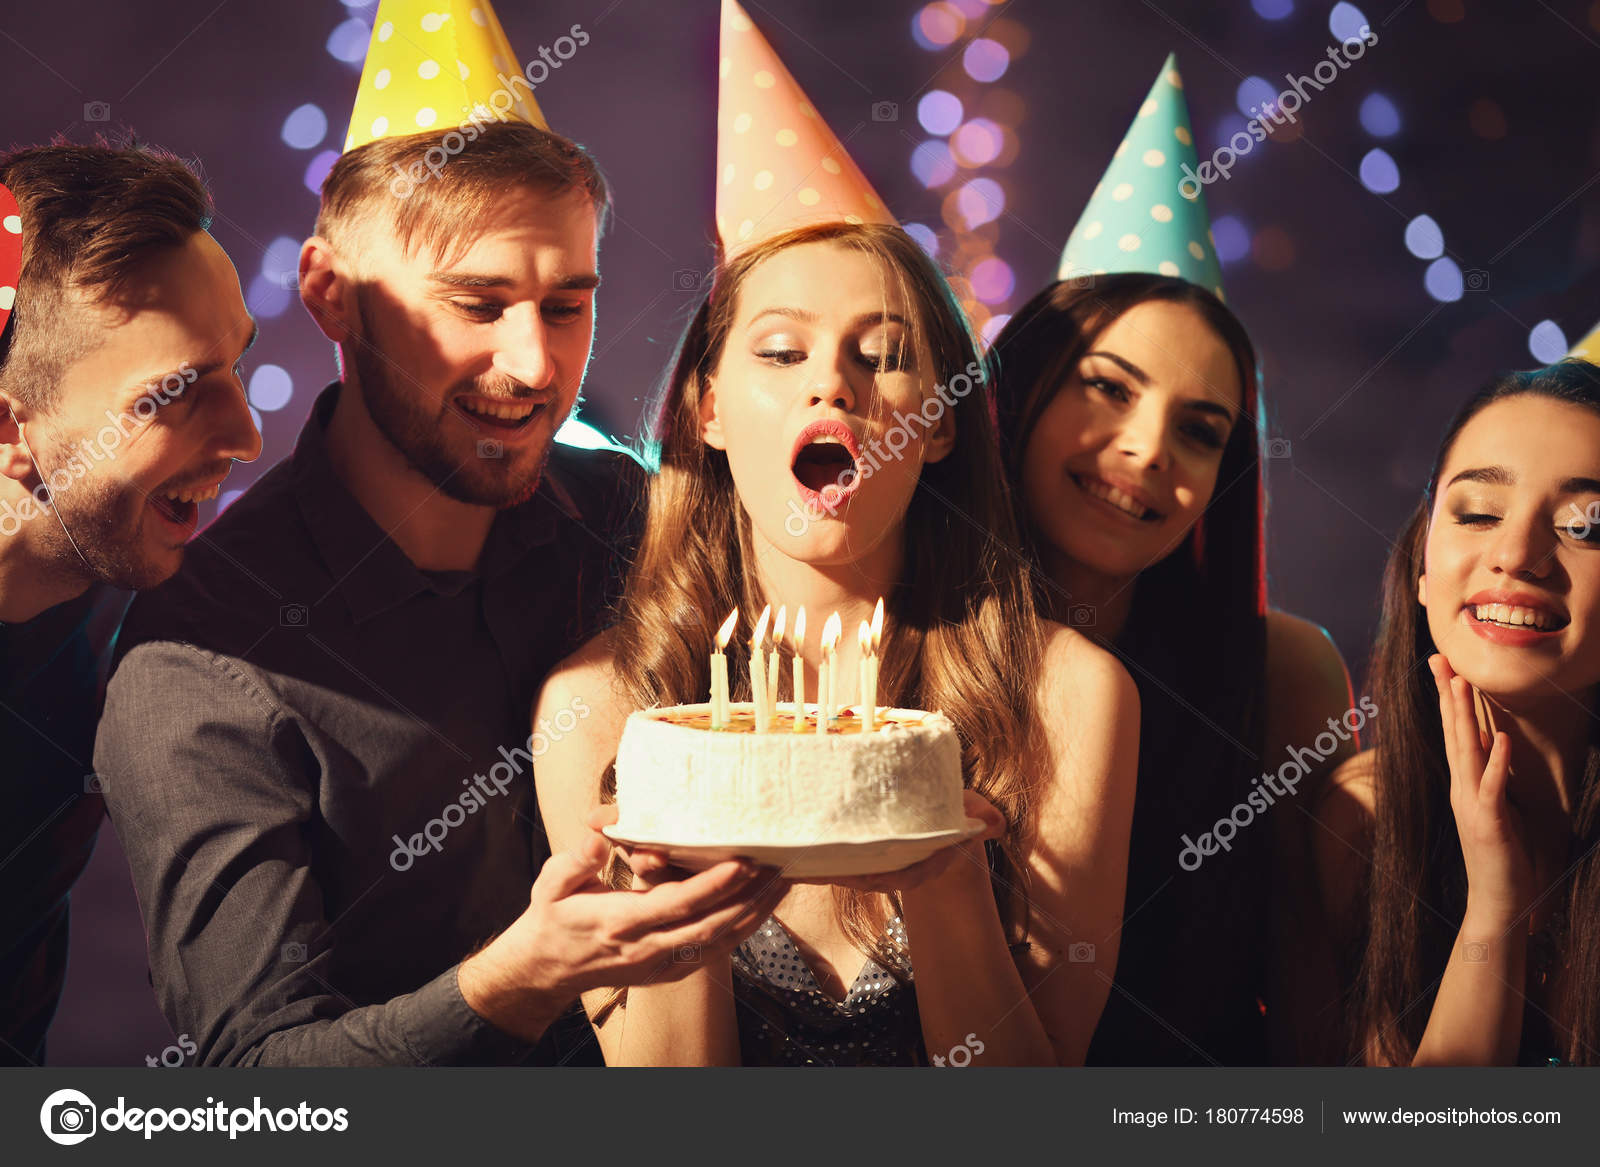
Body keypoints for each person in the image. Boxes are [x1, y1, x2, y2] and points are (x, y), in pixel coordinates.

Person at [91, 0, 780, 1067]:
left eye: (565, 305)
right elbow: (250, 1087)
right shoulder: (206, 656)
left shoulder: (635, 527)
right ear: (330, 293)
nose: (537, 366)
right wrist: (523, 975)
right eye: (478, 303)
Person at [533, 0, 1140, 1067]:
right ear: (707, 413)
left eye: (884, 352)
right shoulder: (600, 714)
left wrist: (945, 876)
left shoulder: (1067, 696)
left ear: (939, 424)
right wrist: (676, 888)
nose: (834, 381)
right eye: (780, 353)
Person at [987, 55, 1357, 1065]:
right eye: (1107, 387)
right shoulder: (896, 638)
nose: (1149, 450)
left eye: (1198, 430)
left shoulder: (1281, 675)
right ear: (1018, 392)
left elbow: (1311, 1012)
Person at [0, 141, 260, 1065]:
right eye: (174, 395)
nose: (246, 433)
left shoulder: (118, 600)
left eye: (236, 363)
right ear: (9, 427)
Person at [1316, 358, 1600, 1065]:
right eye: (1478, 512)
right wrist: (1496, 906)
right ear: (1421, 565)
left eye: (1587, 526)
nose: (1516, 554)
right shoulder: (1361, 819)